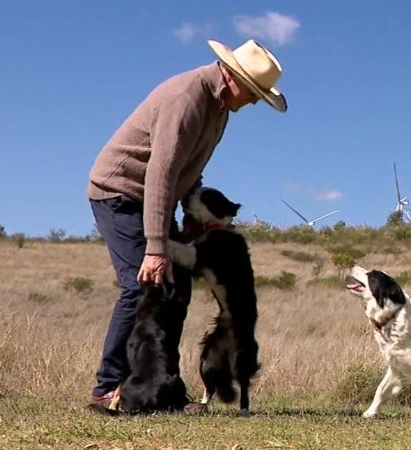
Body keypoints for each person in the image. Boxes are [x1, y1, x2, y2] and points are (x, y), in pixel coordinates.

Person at [86, 39, 287, 411]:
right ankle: (108, 387)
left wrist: (190, 221)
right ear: (232, 76)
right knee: (141, 286)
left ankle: (165, 389)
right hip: (121, 192)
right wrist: (157, 246)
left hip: (153, 197)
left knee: (176, 291)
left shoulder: (220, 107)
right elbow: (160, 173)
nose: (255, 101)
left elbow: (188, 167)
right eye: (254, 92)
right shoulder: (186, 99)